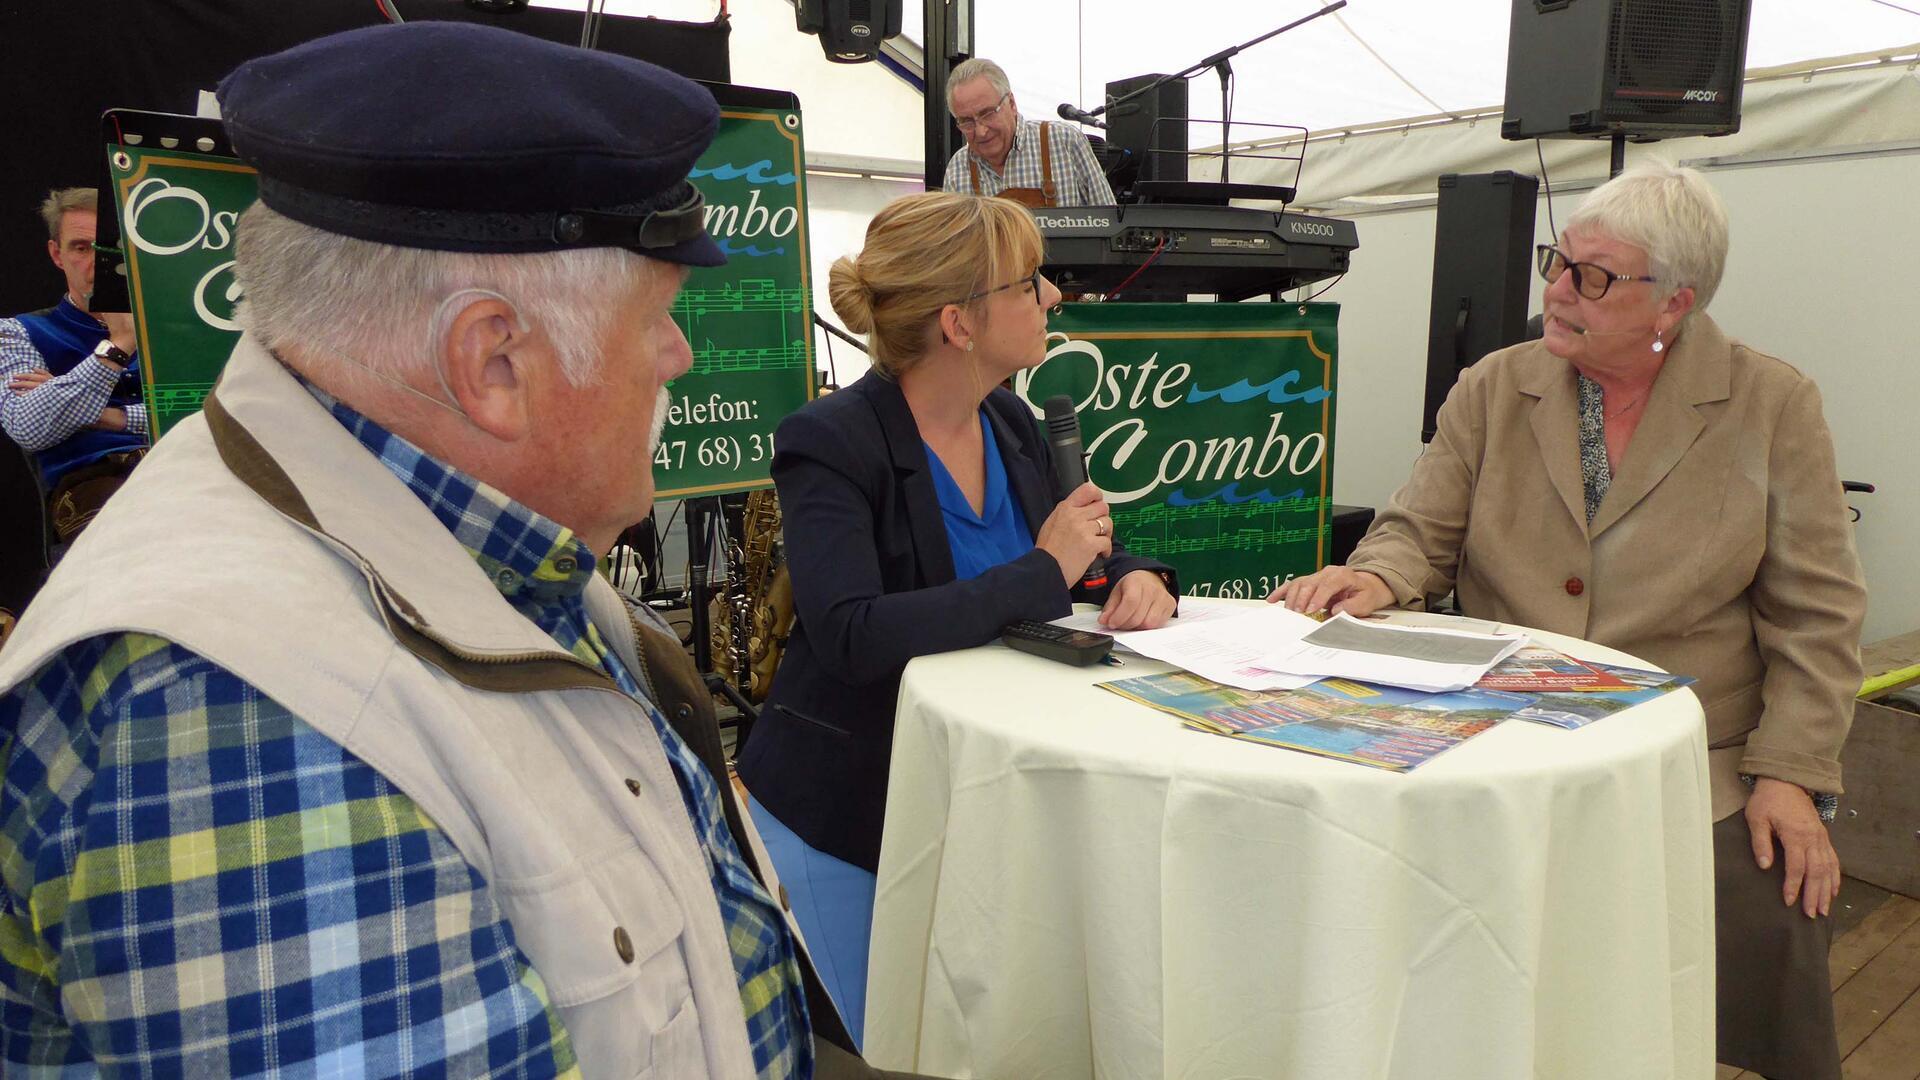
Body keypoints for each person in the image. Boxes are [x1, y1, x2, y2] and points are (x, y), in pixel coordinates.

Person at [0, 22, 935, 1080]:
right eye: (657, 318)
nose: (679, 353)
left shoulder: (456, 539)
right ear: (493, 360)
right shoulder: (243, 729)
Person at [1270, 161, 1865, 1079]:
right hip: (1497, 726)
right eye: (1559, 262)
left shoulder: (1772, 404)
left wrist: (1789, 772)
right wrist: (1373, 580)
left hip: (1691, 750)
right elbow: (1416, 532)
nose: (1556, 290)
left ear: (1674, 304)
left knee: (1771, 897)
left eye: (1593, 277)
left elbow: (1818, 618)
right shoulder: (1495, 385)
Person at [735, 191, 1177, 1042]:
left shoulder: (1009, 420)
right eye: (1028, 284)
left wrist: (1134, 572)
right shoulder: (830, 440)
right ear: (959, 324)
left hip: (987, 807)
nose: (1052, 298)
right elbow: (856, 634)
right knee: (890, 1045)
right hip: (859, 817)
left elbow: (1066, 553)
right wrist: (1046, 569)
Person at [0, 187, 148, 541]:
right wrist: (119, 344)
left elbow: (207, 413)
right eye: (81, 248)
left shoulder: (175, 329)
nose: (98, 264)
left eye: (110, 249)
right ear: (57, 254)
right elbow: (29, 427)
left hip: (182, 469)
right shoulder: (15, 332)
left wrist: (103, 415)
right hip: (92, 488)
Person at [941, 58, 1115, 208]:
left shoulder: (1065, 141)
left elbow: (1111, 230)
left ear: (1011, 103)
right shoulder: (958, 168)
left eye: (987, 113)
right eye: (966, 121)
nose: (981, 131)